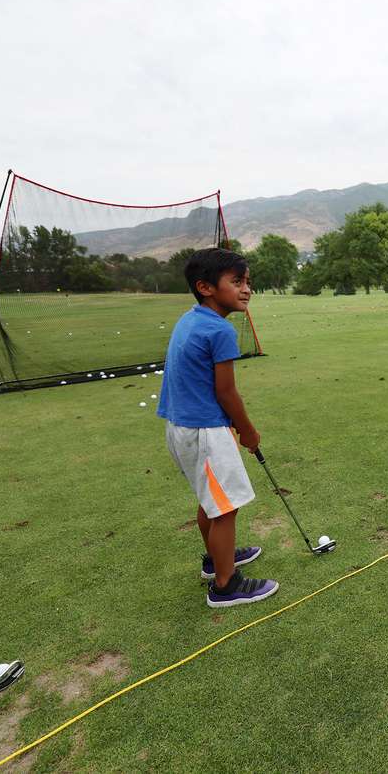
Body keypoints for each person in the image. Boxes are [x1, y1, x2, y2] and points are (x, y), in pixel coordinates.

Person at [158, 248, 279, 607]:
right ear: (206, 287)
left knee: (211, 499)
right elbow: (226, 391)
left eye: (248, 282)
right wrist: (249, 431)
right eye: (237, 281)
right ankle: (225, 585)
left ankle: (217, 559)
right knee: (225, 508)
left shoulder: (190, 319)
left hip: (181, 427)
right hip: (205, 430)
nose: (246, 289)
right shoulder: (220, 330)